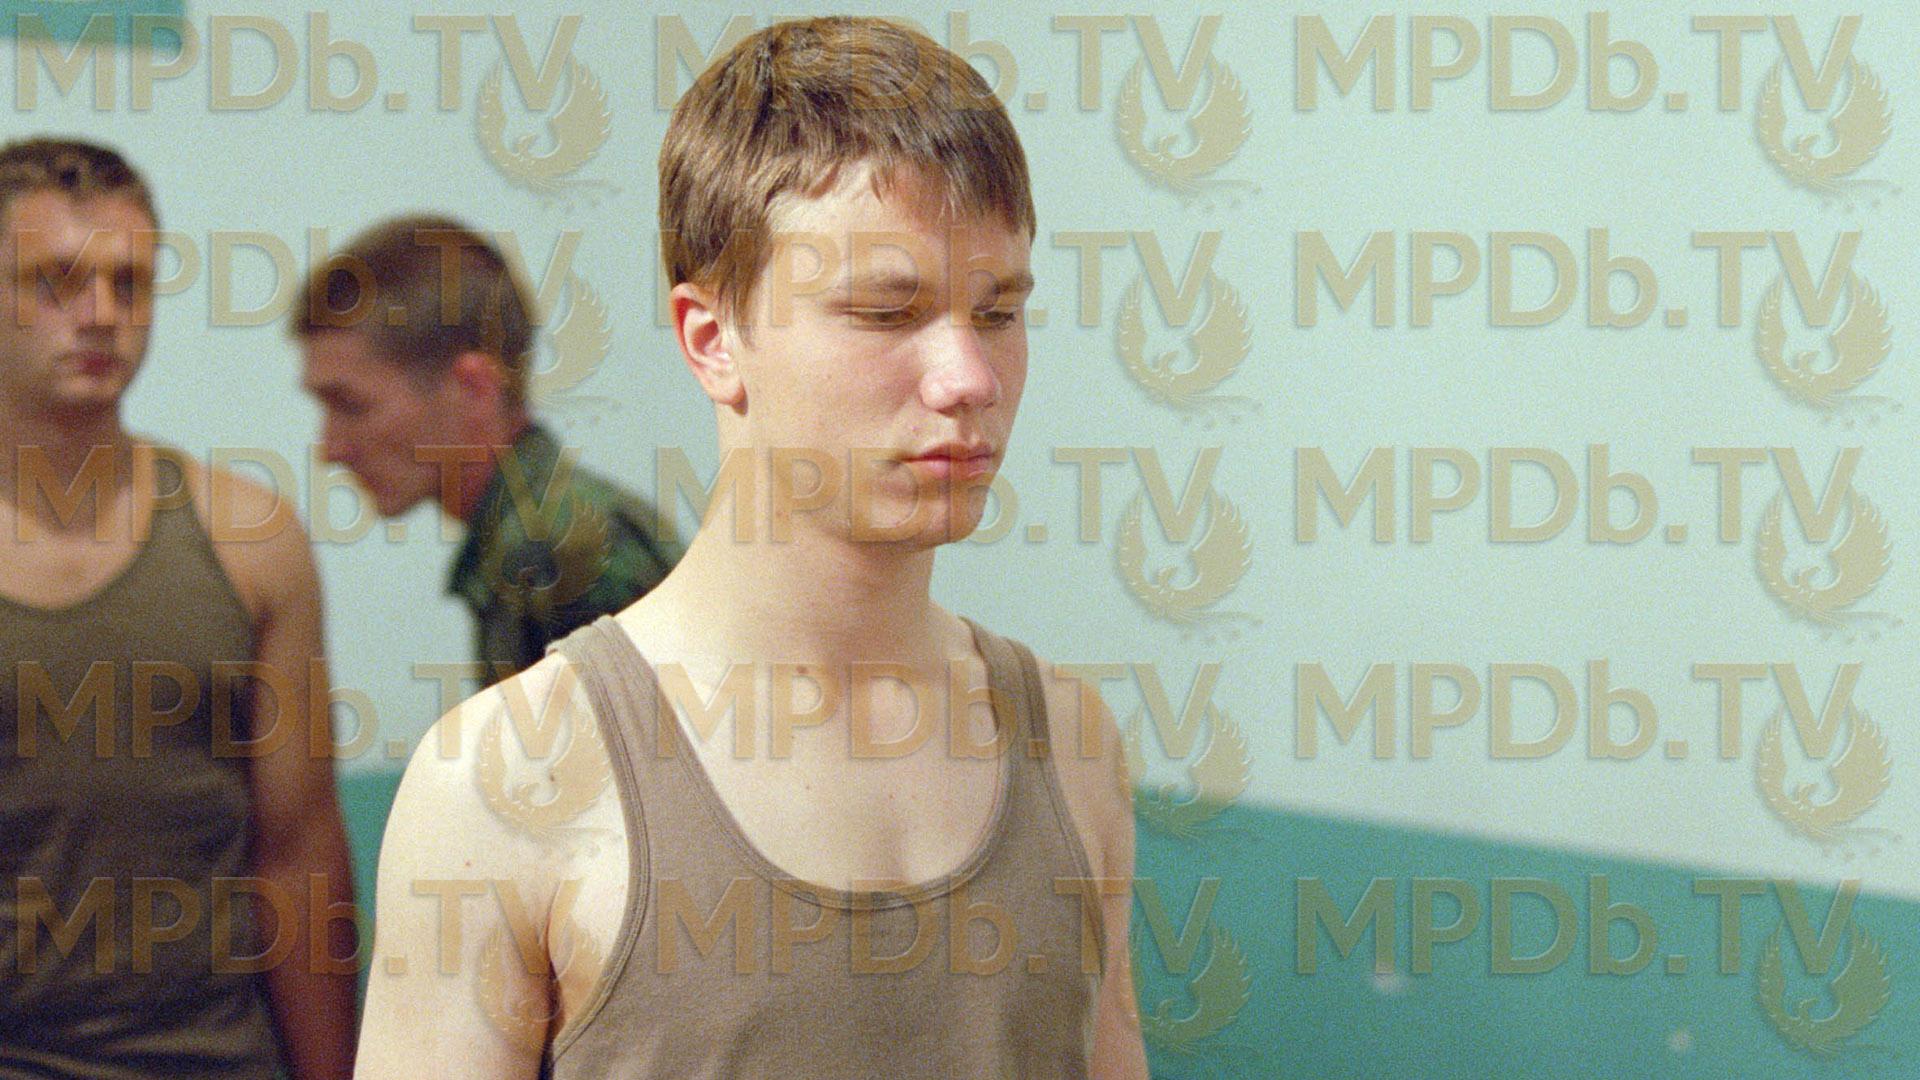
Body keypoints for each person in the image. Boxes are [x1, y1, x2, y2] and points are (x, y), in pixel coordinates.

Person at [355, 16, 1147, 1079]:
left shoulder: (1071, 746)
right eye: (886, 312)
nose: (970, 377)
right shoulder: (502, 781)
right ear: (713, 339)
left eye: (999, 311)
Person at [0, 138, 356, 1077]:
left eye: (129, 284)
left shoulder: (252, 541)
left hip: (216, 1057)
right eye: (55, 282)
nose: (100, 314)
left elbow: (298, 852)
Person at [292, 217, 680, 678]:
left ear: (474, 389)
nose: (330, 450)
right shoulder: (530, 539)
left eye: (351, 406)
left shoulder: (562, 547)